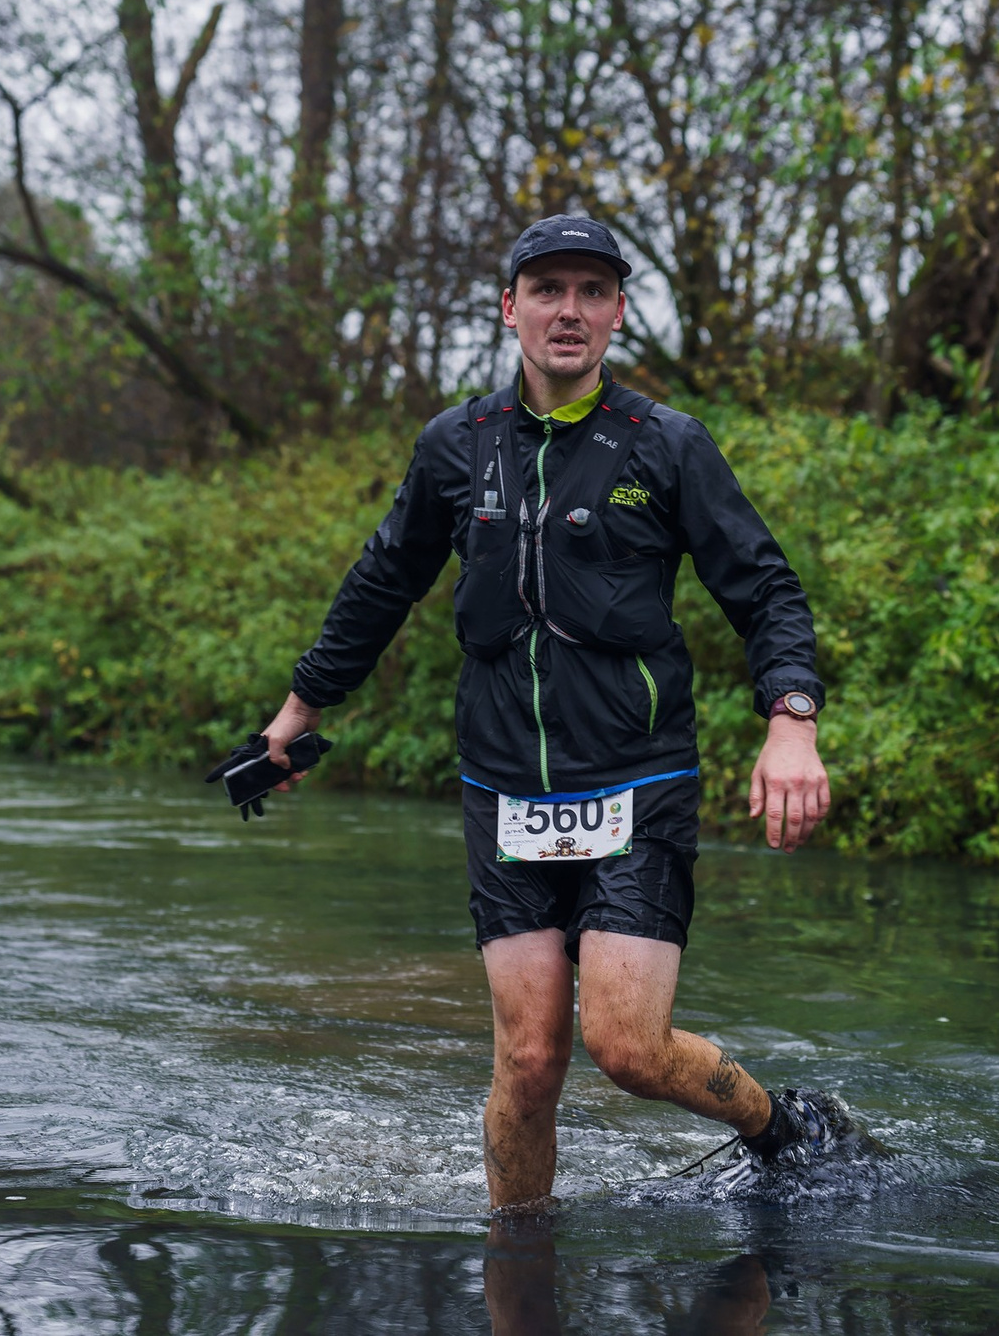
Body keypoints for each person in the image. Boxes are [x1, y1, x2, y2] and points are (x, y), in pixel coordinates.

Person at [254, 214, 833, 1211]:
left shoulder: (668, 445)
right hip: (504, 786)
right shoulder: (456, 445)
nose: (569, 310)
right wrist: (299, 707)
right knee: (527, 1062)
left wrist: (791, 720)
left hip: (637, 777)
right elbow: (382, 582)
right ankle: (518, 1260)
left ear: (617, 313)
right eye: (548, 289)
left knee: (628, 1048)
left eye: (592, 291)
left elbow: (766, 588)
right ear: (509, 306)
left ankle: (780, 1125)